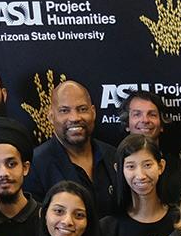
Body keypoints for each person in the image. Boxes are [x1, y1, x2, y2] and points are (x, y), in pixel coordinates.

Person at [28, 78, 122, 219]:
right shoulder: (36, 165)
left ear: (93, 112)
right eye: (64, 111)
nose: (74, 118)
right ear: (51, 116)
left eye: (82, 109)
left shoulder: (113, 156)